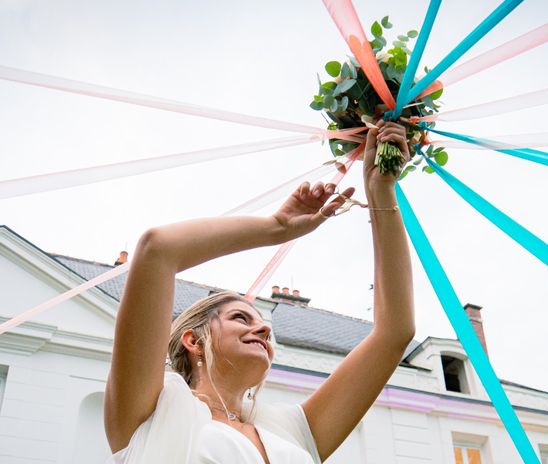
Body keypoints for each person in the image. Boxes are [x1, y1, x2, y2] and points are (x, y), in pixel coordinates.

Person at [104, 121, 415, 463]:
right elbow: (157, 250)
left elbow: (394, 332)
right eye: (240, 317)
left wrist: (381, 190)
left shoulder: (293, 430)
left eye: (263, 322)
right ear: (193, 341)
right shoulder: (149, 413)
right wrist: (276, 228)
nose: (265, 329)